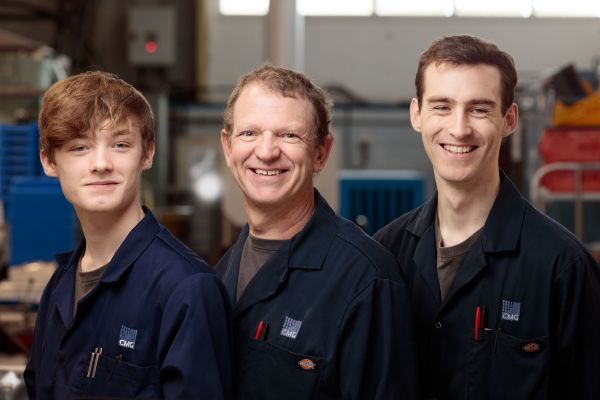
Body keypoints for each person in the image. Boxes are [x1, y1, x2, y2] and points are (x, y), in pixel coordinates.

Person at [375, 35, 600, 399]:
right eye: (442, 107)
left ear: (508, 119)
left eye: (479, 109)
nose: (459, 128)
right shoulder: (384, 255)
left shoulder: (562, 267)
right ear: (417, 114)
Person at [24, 71, 232, 399]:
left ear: (147, 154)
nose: (101, 163)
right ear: (49, 161)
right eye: (80, 147)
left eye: (120, 144)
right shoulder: (60, 286)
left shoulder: (186, 289)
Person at [216, 64, 418, 399]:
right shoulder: (215, 279)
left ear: (321, 153)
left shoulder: (366, 281)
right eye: (249, 133)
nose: (266, 152)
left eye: (288, 135)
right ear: (228, 147)